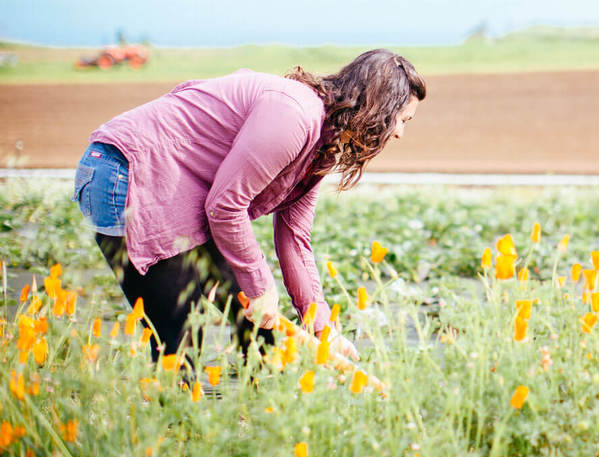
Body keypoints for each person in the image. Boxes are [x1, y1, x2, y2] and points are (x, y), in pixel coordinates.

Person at [72, 49, 425, 362]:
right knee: (181, 335)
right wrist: (260, 289)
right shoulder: (295, 116)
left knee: (260, 326)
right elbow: (225, 206)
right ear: (379, 109)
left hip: (175, 191)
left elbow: (294, 240)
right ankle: (175, 428)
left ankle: (255, 419)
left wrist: (322, 328)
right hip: (125, 174)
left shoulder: (322, 143)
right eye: (401, 120)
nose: (399, 134)